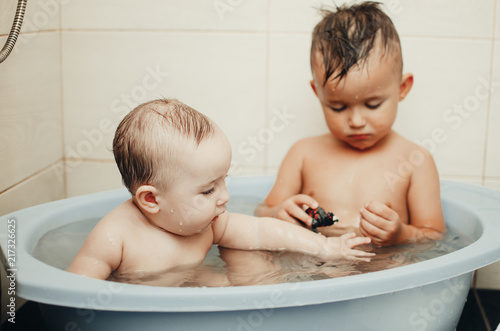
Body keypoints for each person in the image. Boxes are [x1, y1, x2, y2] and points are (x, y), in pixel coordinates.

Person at [67, 98, 374, 282]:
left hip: (192, 297)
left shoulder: (209, 223)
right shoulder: (115, 237)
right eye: (207, 191)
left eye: (224, 180)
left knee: (251, 279)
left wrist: (326, 248)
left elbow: (263, 232)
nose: (225, 196)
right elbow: (75, 289)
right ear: (150, 199)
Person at [255, 2, 446, 247]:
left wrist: (402, 234)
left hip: (380, 276)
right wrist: (279, 213)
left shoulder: (415, 160)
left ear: (402, 88)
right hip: (313, 274)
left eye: (373, 104)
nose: (356, 122)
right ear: (319, 94)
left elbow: (435, 237)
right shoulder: (303, 154)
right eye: (338, 107)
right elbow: (262, 211)